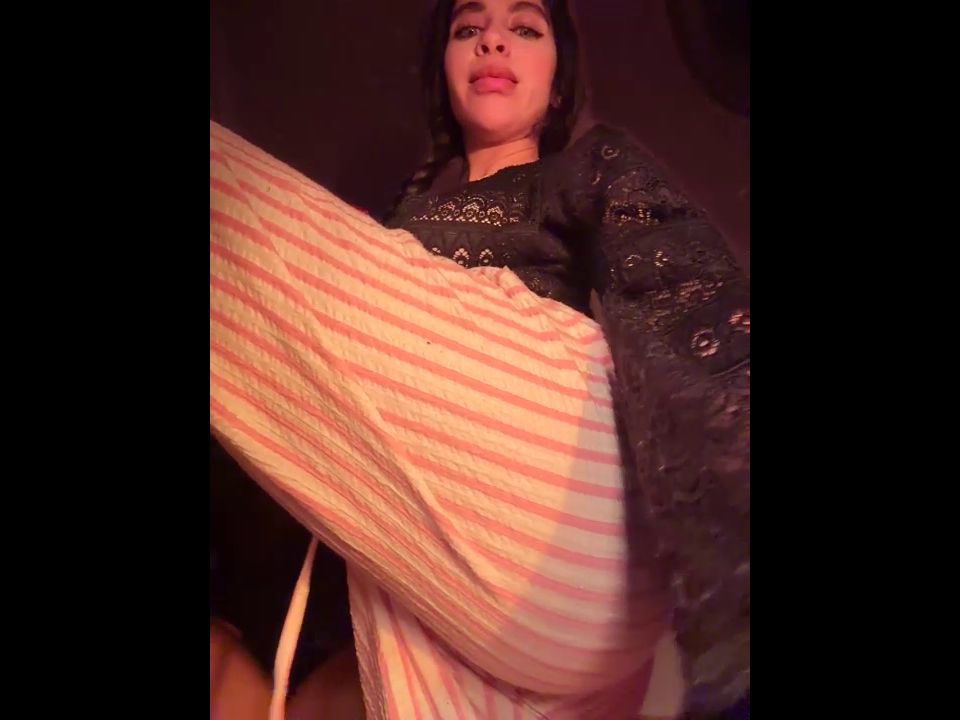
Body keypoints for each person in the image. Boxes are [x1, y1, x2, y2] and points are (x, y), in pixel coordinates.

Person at [209, 0, 749, 717]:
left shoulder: (585, 168)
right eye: (469, 29)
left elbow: (688, 294)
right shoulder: (395, 223)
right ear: (445, 69)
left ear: (557, 82)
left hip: (570, 490)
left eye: (524, 29)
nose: (493, 39)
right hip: (460, 575)